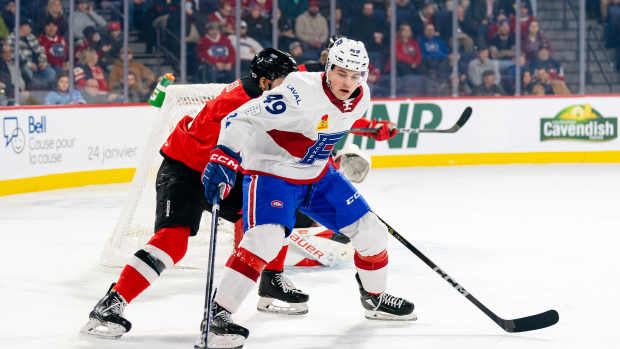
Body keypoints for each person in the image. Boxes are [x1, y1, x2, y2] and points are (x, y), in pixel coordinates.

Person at [200, 37, 414, 348]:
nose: (348, 82)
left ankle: (375, 299)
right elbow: (241, 116)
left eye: (356, 76)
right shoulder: (298, 90)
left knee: (372, 233)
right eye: (341, 73)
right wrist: (225, 155)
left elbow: (332, 120)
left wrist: (371, 127)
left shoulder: (362, 95)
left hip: (319, 175)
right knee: (266, 238)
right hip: (274, 173)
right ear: (328, 68)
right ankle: (218, 314)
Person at [81, 48, 300, 339]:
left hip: (219, 168)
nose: (291, 88)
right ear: (264, 81)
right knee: (172, 243)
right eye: (285, 80)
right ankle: (110, 305)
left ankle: (269, 280)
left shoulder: (264, 95)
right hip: (185, 168)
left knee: (268, 214)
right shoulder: (244, 103)